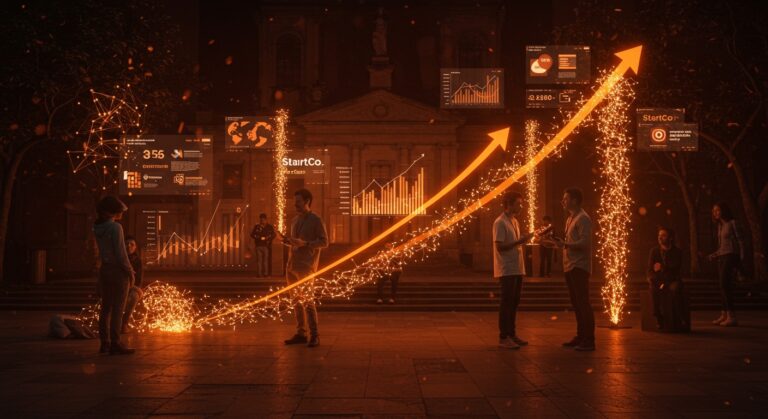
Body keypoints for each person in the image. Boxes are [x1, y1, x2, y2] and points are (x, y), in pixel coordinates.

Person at [543, 188, 595, 351]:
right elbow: (570, 243)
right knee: (577, 303)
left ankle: (588, 340)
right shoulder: (570, 219)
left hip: (579, 266)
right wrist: (554, 244)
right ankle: (580, 336)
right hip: (570, 266)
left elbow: (585, 243)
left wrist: (564, 244)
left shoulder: (583, 219)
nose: (563, 201)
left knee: (583, 303)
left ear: (574, 200)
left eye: (565, 198)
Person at [282, 189, 328, 348]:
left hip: (306, 266)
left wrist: (306, 244)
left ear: (307, 201)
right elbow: (296, 242)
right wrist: (289, 241)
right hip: (292, 265)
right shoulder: (294, 220)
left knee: (308, 301)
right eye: (295, 201)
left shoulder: (316, 220)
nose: (295, 204)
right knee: (296, 301)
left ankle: (315, 335)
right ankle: (301, 333)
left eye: (299, 201)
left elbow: (324, 242)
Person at [92, 196, 135, 355]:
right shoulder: (115, 227)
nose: (122, 213)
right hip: (118, 271)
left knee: (105, 309)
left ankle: (105, 343)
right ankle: (116, 343)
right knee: (118, 309)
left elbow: (100, 253)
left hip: (105, 270)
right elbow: (121, 253)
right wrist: (130, 271)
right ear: (113, 212)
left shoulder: (96, 227)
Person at [494, 191, 535, 350]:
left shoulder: (515, 222)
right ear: (509, 204)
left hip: (517, 268)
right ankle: (503, 337)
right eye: (518, 203)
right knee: (507, 303)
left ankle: (511, 333)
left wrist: (523, 240)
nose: (521, 206)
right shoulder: (500, 222)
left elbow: (514, 243)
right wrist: (520, 240)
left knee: (514, 303)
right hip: (506, 268)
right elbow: (500, 246)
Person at [709, 202, 744, 327]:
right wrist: (715, 254)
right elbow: (722, 246)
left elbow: (740, 241)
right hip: (722, 257)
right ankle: (724, 314)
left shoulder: (733, 223)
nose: (715, 213)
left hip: (731, 256)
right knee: (721, 285)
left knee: (725, 283)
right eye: (714, 211)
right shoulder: (720, 227)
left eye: (717, 210)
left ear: (723, 210)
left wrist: (741, 258)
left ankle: (732, 316)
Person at [646, 227, 684, 329]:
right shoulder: (654, 251)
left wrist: (663, 267)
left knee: (674, 289)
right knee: (654, 290)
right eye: (659, 235)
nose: (660, 238)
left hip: (672, 280)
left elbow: (675, 268)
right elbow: (650, 269)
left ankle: (678, 318)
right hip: (658, 280)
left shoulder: (677, 251)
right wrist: (654, 279)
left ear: (670, 238)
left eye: (663, 235)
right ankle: (658, 317)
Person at [121, 235, 144, 334]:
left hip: (131, 288)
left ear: (135, 247)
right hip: (119, 287)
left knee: (134, 297)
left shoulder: (138, 261)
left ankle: (124, 323)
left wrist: (135, 288)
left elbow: (138, 280)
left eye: (132, 244)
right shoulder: (119, 258)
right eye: (126, 244)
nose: (129, 246)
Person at [251, 213, 276, 277]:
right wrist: (260, 238)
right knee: (260, 261)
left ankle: (265, 273)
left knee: (265, 261)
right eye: (261, 220)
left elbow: (274, 235)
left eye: (263, 220)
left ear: (266, 219)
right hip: (259, 245)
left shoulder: (269, 227)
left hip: (266, 246)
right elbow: (252, 235)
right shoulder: (257, 226)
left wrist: (268, 239)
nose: (262, 221)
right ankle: (260, 274)